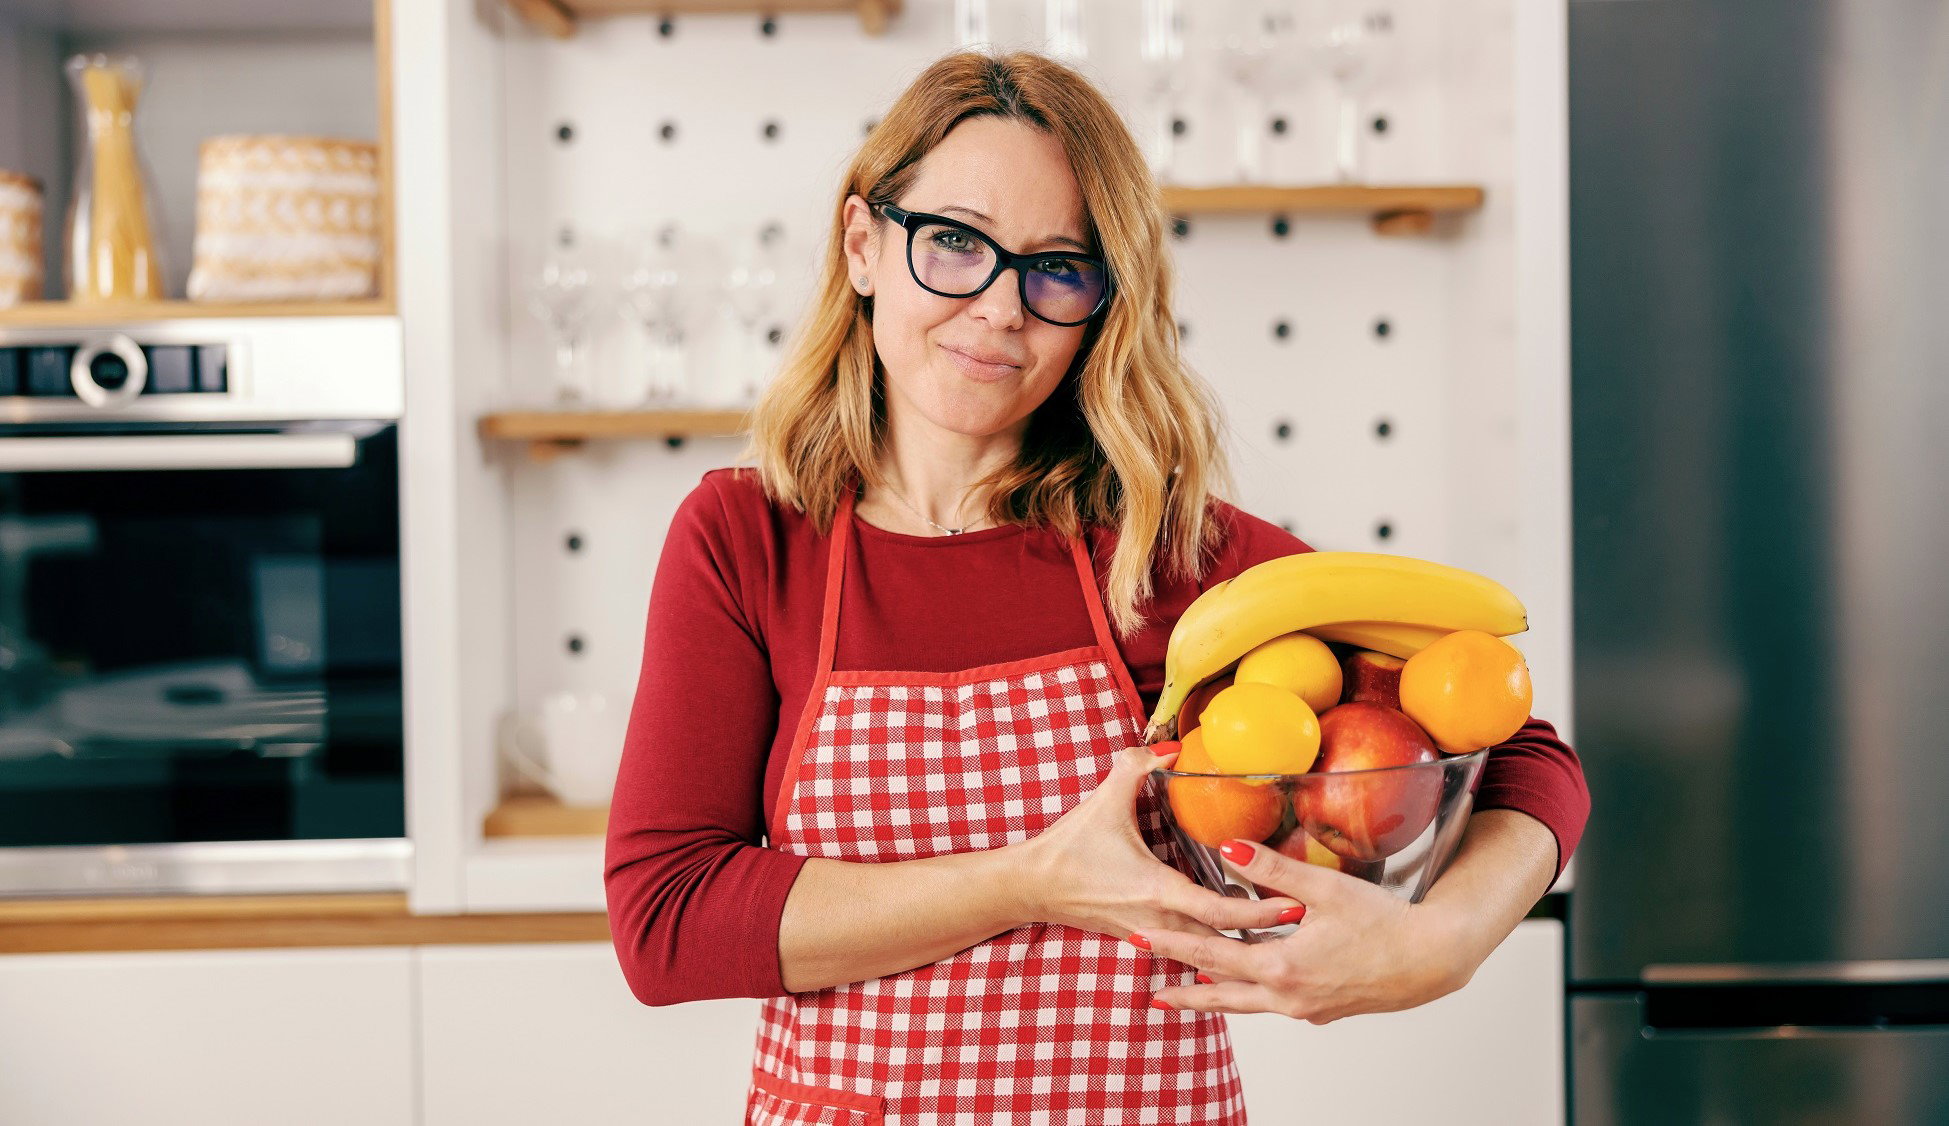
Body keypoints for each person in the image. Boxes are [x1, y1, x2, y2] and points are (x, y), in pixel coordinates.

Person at [605, 49, 1589, 1124]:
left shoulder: (1168, 556)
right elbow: (668, 923)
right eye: (952, 243)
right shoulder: (749, 539)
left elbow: (1524, 757)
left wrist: (1438, 944)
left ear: (1098, 308)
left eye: (1055, 267)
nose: (998, 308)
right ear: (862, 246)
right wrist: (1028, 878)